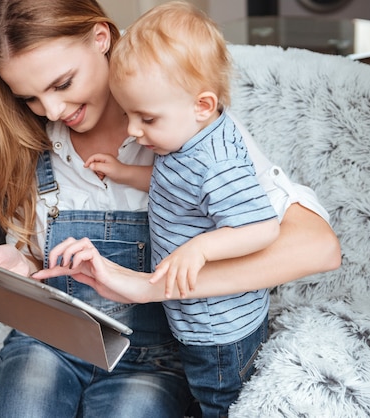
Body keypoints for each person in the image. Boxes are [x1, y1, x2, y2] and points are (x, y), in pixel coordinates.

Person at [0, 0, 341, 417]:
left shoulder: (191, 131)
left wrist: (153, 286)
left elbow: (317, 246)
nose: (53, 112)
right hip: (51, 342)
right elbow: (39, 256)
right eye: (31, 98)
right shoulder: (31, 141)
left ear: (100, 39)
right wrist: (18, 267)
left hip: (152, 360)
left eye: (62, 84)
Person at [80, 2, 279, 415]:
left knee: (218, 398)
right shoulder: (182, 137)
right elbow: (173, 187)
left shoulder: (217, 164)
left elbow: (263, 229)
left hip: (220, 330)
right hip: (193, 318)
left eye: (146, 119)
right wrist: (123, 172)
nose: (134, 131)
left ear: (202, 106)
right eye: (128, 114)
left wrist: (201, 248)